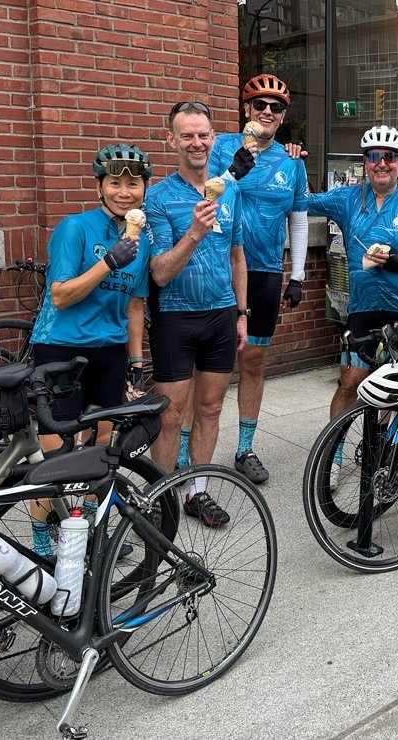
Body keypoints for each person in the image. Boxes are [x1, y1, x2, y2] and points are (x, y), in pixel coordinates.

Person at [177, 73, 308, 485]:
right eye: (259, 105)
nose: (267, 112)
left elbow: (299, 221)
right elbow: (203, 196)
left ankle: (245, 449)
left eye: (276, 107)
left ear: (283, 117)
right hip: (217, 267)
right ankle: (183, 451)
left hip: (266, 272)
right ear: (246, 110)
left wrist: (298, 275)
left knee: (253, 361)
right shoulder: (218, 149)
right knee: (203, 367)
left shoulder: (292, 163)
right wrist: (235, 170)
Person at [27, 143, 152, 555]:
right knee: (58, 453)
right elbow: (61, 295)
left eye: (133, 184)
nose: (124, 192)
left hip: (111, 351)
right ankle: (44, 534)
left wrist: (136, 364)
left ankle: (89, 530)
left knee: (102, 448)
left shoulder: (142, 241)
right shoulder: (73, 228)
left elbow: (135, 305)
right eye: (114, 183)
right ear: (100, 186)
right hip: (60, 348)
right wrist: (108, 263)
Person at [144, 100, 251, 528]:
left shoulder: (231, 191)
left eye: (203, 134)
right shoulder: (158, 196)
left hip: (221, 315)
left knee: (209, 410)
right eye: (186, 135)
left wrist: (242, 314)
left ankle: (197, 492)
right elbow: (160, 272)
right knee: (169, 415)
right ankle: (161, 495)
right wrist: (194, 231)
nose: (196, 143)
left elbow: (238, 257)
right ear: (171, 140)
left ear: (213, 138)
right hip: (176, 317)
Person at [308, 125, 398, 422]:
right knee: (349, 383)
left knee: (395, 390)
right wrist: (292, 162)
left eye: (389, 157)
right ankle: (333, 459)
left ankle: (385, 456)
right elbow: (301, 201)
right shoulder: (347, 199)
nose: (382, 163)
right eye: (374, 156)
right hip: (361, 309)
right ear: (365, 162)